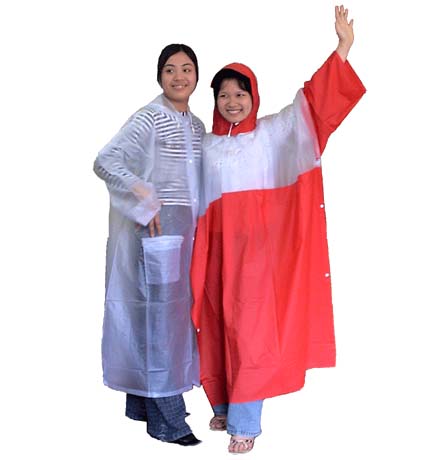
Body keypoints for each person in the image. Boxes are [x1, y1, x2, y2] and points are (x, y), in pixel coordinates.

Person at [190, 6, 366, 454]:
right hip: (214, 254)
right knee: (213, 325)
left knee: (251, 335)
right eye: (224, 95)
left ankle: (245, 422)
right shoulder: (205, 146)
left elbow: (313, 107)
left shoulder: (272, 134)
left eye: (240, 93)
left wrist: (342, 50)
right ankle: (223, 404)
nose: (232, 102)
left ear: (254, 96)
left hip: (257, 260)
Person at [94, 44, 204, 446]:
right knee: (161, 321)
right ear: (159, 76)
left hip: (185, 233)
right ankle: (168, 422)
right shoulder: (150, 117)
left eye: (187, 69)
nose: (179, 77)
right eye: (170, 69)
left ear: (196, 75)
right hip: (156, 235)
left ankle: (144, 405)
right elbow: (106, 160)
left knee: (171, 317)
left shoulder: (195, 125)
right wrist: (143, 193)